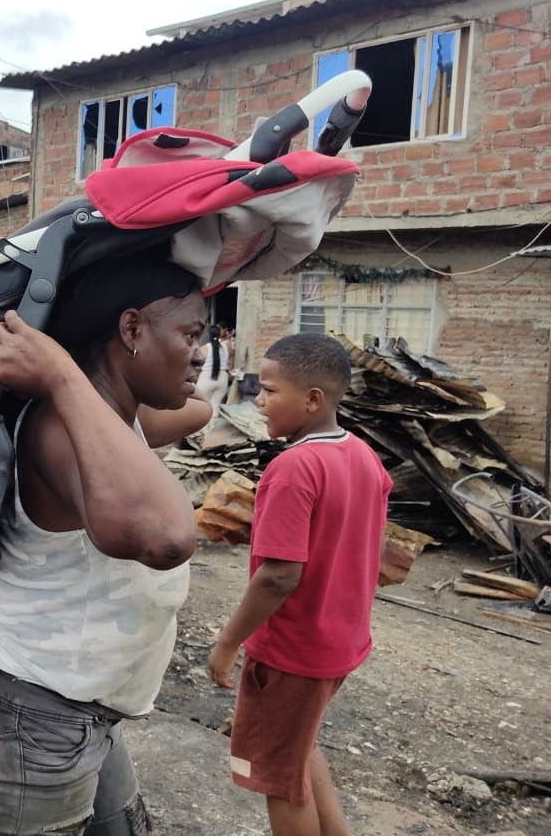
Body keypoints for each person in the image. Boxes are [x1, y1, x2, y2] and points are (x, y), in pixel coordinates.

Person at [0, 248, 213, 836]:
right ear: (131, 328)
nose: (202, 352)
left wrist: (77, 375)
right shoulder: (62, 425)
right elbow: (165, 538)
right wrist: (60, 371)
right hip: (29, 722)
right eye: (190, 334)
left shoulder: (108, 414)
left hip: (80, 711)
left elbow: (197, 411)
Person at [207, 333, 391, 836]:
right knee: (298, 751)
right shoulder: (363, 456)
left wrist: (228, 643)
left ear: (312, 399)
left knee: (278, 779)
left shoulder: (293, 468)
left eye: (268, 391)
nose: (258, 402)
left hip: (292, 652)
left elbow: (279, 575)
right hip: (339, 642)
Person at [196, 323, 232, 408]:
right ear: (220, 334)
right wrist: (228, 337)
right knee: (215, 406)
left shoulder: (204, 348)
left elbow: (198, 365)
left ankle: (201, 421)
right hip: (223, 377)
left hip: (207, 376)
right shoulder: (227, 345)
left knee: (200, 404)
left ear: (208, 334)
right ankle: (212, 421)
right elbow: (230, 356)